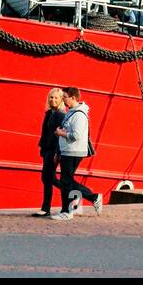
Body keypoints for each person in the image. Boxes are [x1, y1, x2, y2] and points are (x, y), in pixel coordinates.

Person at [54, 86, 102, 219]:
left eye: (65, 97)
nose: (63, 100)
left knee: (66, 181)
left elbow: (76, 135)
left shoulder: (79, 114)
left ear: (73, 98)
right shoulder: (72, 112)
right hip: (67, 151)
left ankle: (67, 212)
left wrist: (60, 133)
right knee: (67, 181)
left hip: (73, 152)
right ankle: (93, 197)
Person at [32, 88, 66, 218]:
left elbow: (60, 136)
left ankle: (46, 208)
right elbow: (45, 133)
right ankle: (71, 192)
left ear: (61, 100)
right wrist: (42, 148)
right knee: (48, 178)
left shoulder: (60, 114)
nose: (53, 100)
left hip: (53, 151)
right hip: (47, 149)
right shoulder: (50, 113)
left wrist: (57, 153)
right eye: (51, 97)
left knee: (47, 178)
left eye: (56, 98)